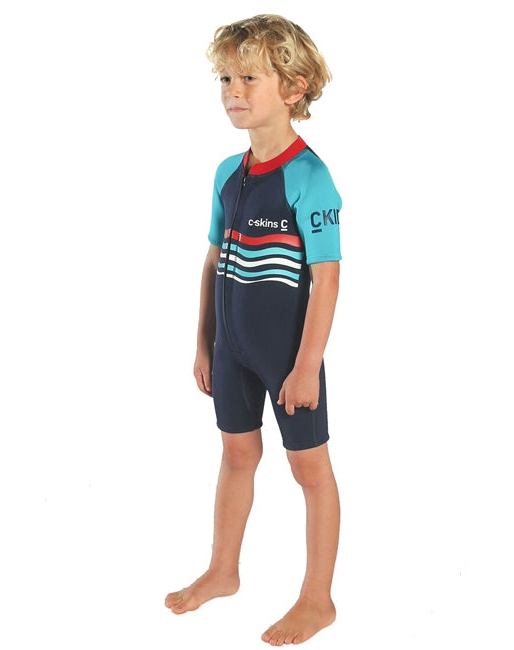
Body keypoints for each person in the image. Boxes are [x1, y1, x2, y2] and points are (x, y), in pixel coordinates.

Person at [165, 14, 342, 645]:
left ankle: (317, 599)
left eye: (248, 78)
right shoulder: (227, 173)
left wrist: (306, 366)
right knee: (237, 455)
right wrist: (203, 343)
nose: (232, 91)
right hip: (232, 351)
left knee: (310, 471)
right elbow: (214, 262)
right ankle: (223, 570)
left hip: (289, 357)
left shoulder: (309, 177)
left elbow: (327, 280)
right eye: (225, 78)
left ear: (293, 88)